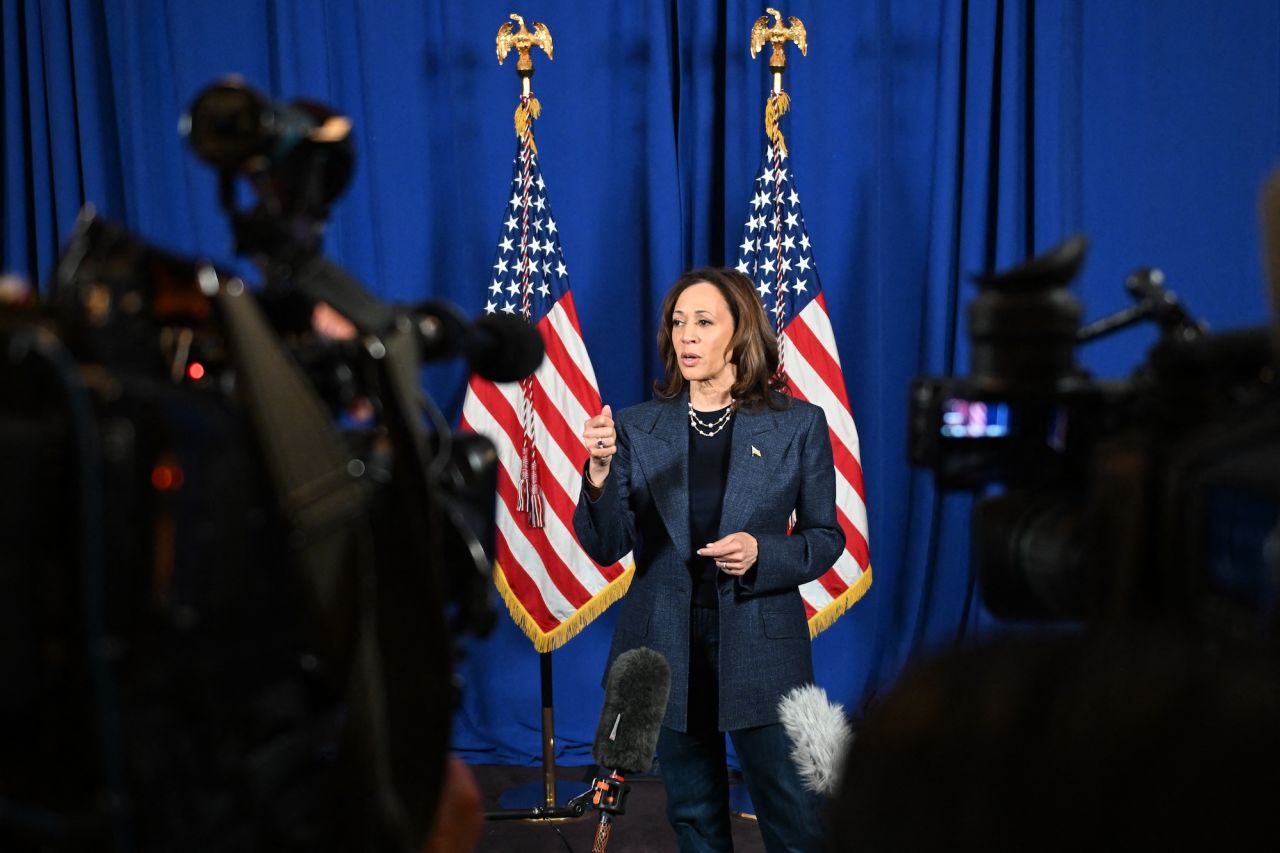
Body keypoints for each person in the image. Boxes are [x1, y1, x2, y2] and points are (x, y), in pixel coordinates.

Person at [574, 267, 845, 852]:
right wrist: (597, 474)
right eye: (678, 323)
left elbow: (827, 538)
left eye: (703, 322)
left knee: (792, 810)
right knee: (693, 814)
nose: (686, 337)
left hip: (763, 643)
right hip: (663, 643)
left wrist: (761, 552)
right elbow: (605, 544)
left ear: (739, 333)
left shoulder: (798, 425)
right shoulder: (636, 426)